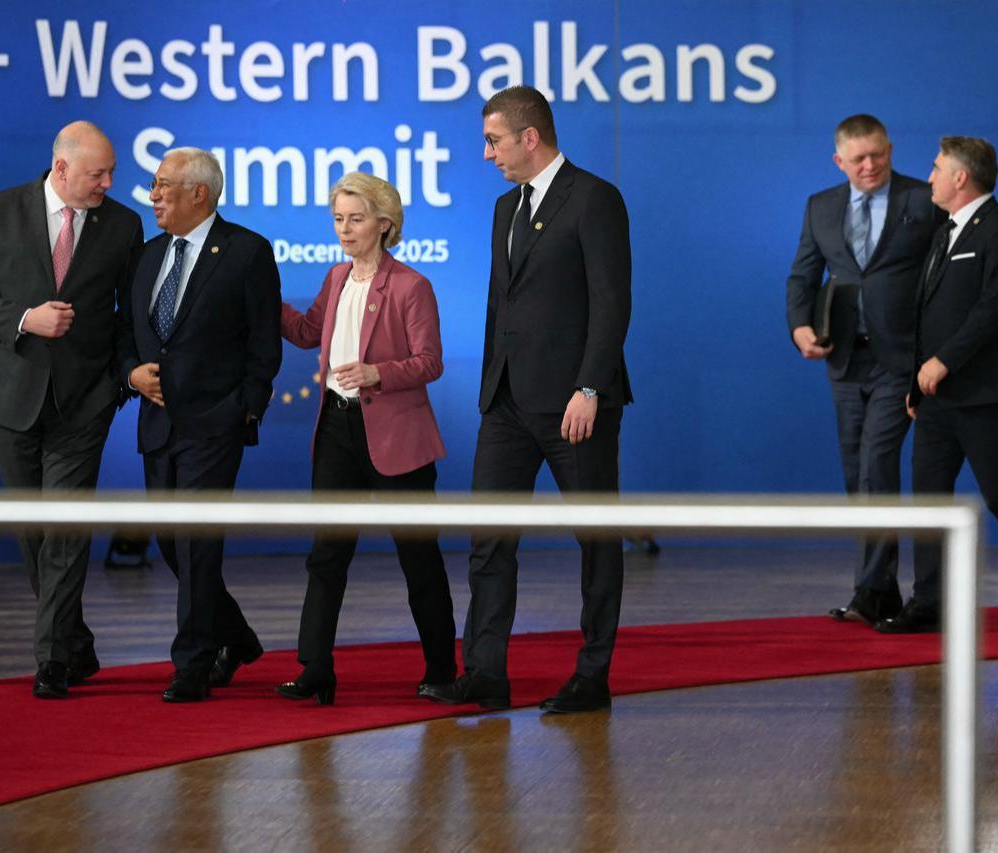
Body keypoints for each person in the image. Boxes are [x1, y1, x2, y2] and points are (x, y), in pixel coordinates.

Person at [420, 86, 632, 715]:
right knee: (489, 540)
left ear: (529, 137)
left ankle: (592, 676)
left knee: (596, 540)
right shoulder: (503, 208)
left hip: (575, 404)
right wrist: (491, 387)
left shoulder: (595, 199)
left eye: (494, 141)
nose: (487, 154)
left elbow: (612, 305)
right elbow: (500, 306)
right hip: (507, 404)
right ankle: (484, 672)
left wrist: (589, 388)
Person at [0, 121, 144, 698]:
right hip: (11, 398)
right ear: (61, 169)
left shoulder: (124, 225)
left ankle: (52, 661)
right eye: (97, 174)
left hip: (85, 403)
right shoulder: (0, 210)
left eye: (111, 173)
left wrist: (120, 380)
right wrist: (23, 319)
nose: (107, 183)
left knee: (65, 526)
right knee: (35, 530)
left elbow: (128, 315)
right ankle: (75, 642)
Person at [276, 171, 456, 705]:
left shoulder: (410, 285)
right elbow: (309, 334)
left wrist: (379, 373)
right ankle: (315, 670)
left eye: (355, 219)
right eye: (338, 219)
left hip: (397, 435)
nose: (345, 229)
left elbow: (430, 362)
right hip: (337, 428)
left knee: (417, 557)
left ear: (385, 223)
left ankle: (443, 669)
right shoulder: (335, 279)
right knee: (326, 554)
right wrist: (262, 295)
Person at [118, 147, 281, 702]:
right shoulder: (145, 255)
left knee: (196, 544)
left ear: (199, 194)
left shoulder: (246, 252)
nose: (154, 195)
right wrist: (130, 373)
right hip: (157, 422)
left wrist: (245, 408)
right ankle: (236, 637)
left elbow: (264, 344)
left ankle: (192, 663)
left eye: (164, 185)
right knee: (171, 544)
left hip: (215, 425)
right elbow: (127, 335)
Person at [880, 136, 998, 633]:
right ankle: (930, 601)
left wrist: (944, 362)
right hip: (938, 397)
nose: (930, 176)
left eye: (937, 168)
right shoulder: (944, 232)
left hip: (989, 396)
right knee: (930, 500)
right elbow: (929, 315)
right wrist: (919, 381)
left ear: (961, 177)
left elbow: (994, 308)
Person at [785, 114, 944, 627]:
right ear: (840, 162)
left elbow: (946, 275)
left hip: (903, 361)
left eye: (879, 154)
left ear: (891, 150)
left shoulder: (925, 200)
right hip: (845, 359)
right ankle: (880, 591)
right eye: (859, 159)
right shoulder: (821, 207)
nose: (871, 165)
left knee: (877, 468)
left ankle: (874, 591)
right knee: (857, 473)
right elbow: (803, 275)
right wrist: (799, 326)